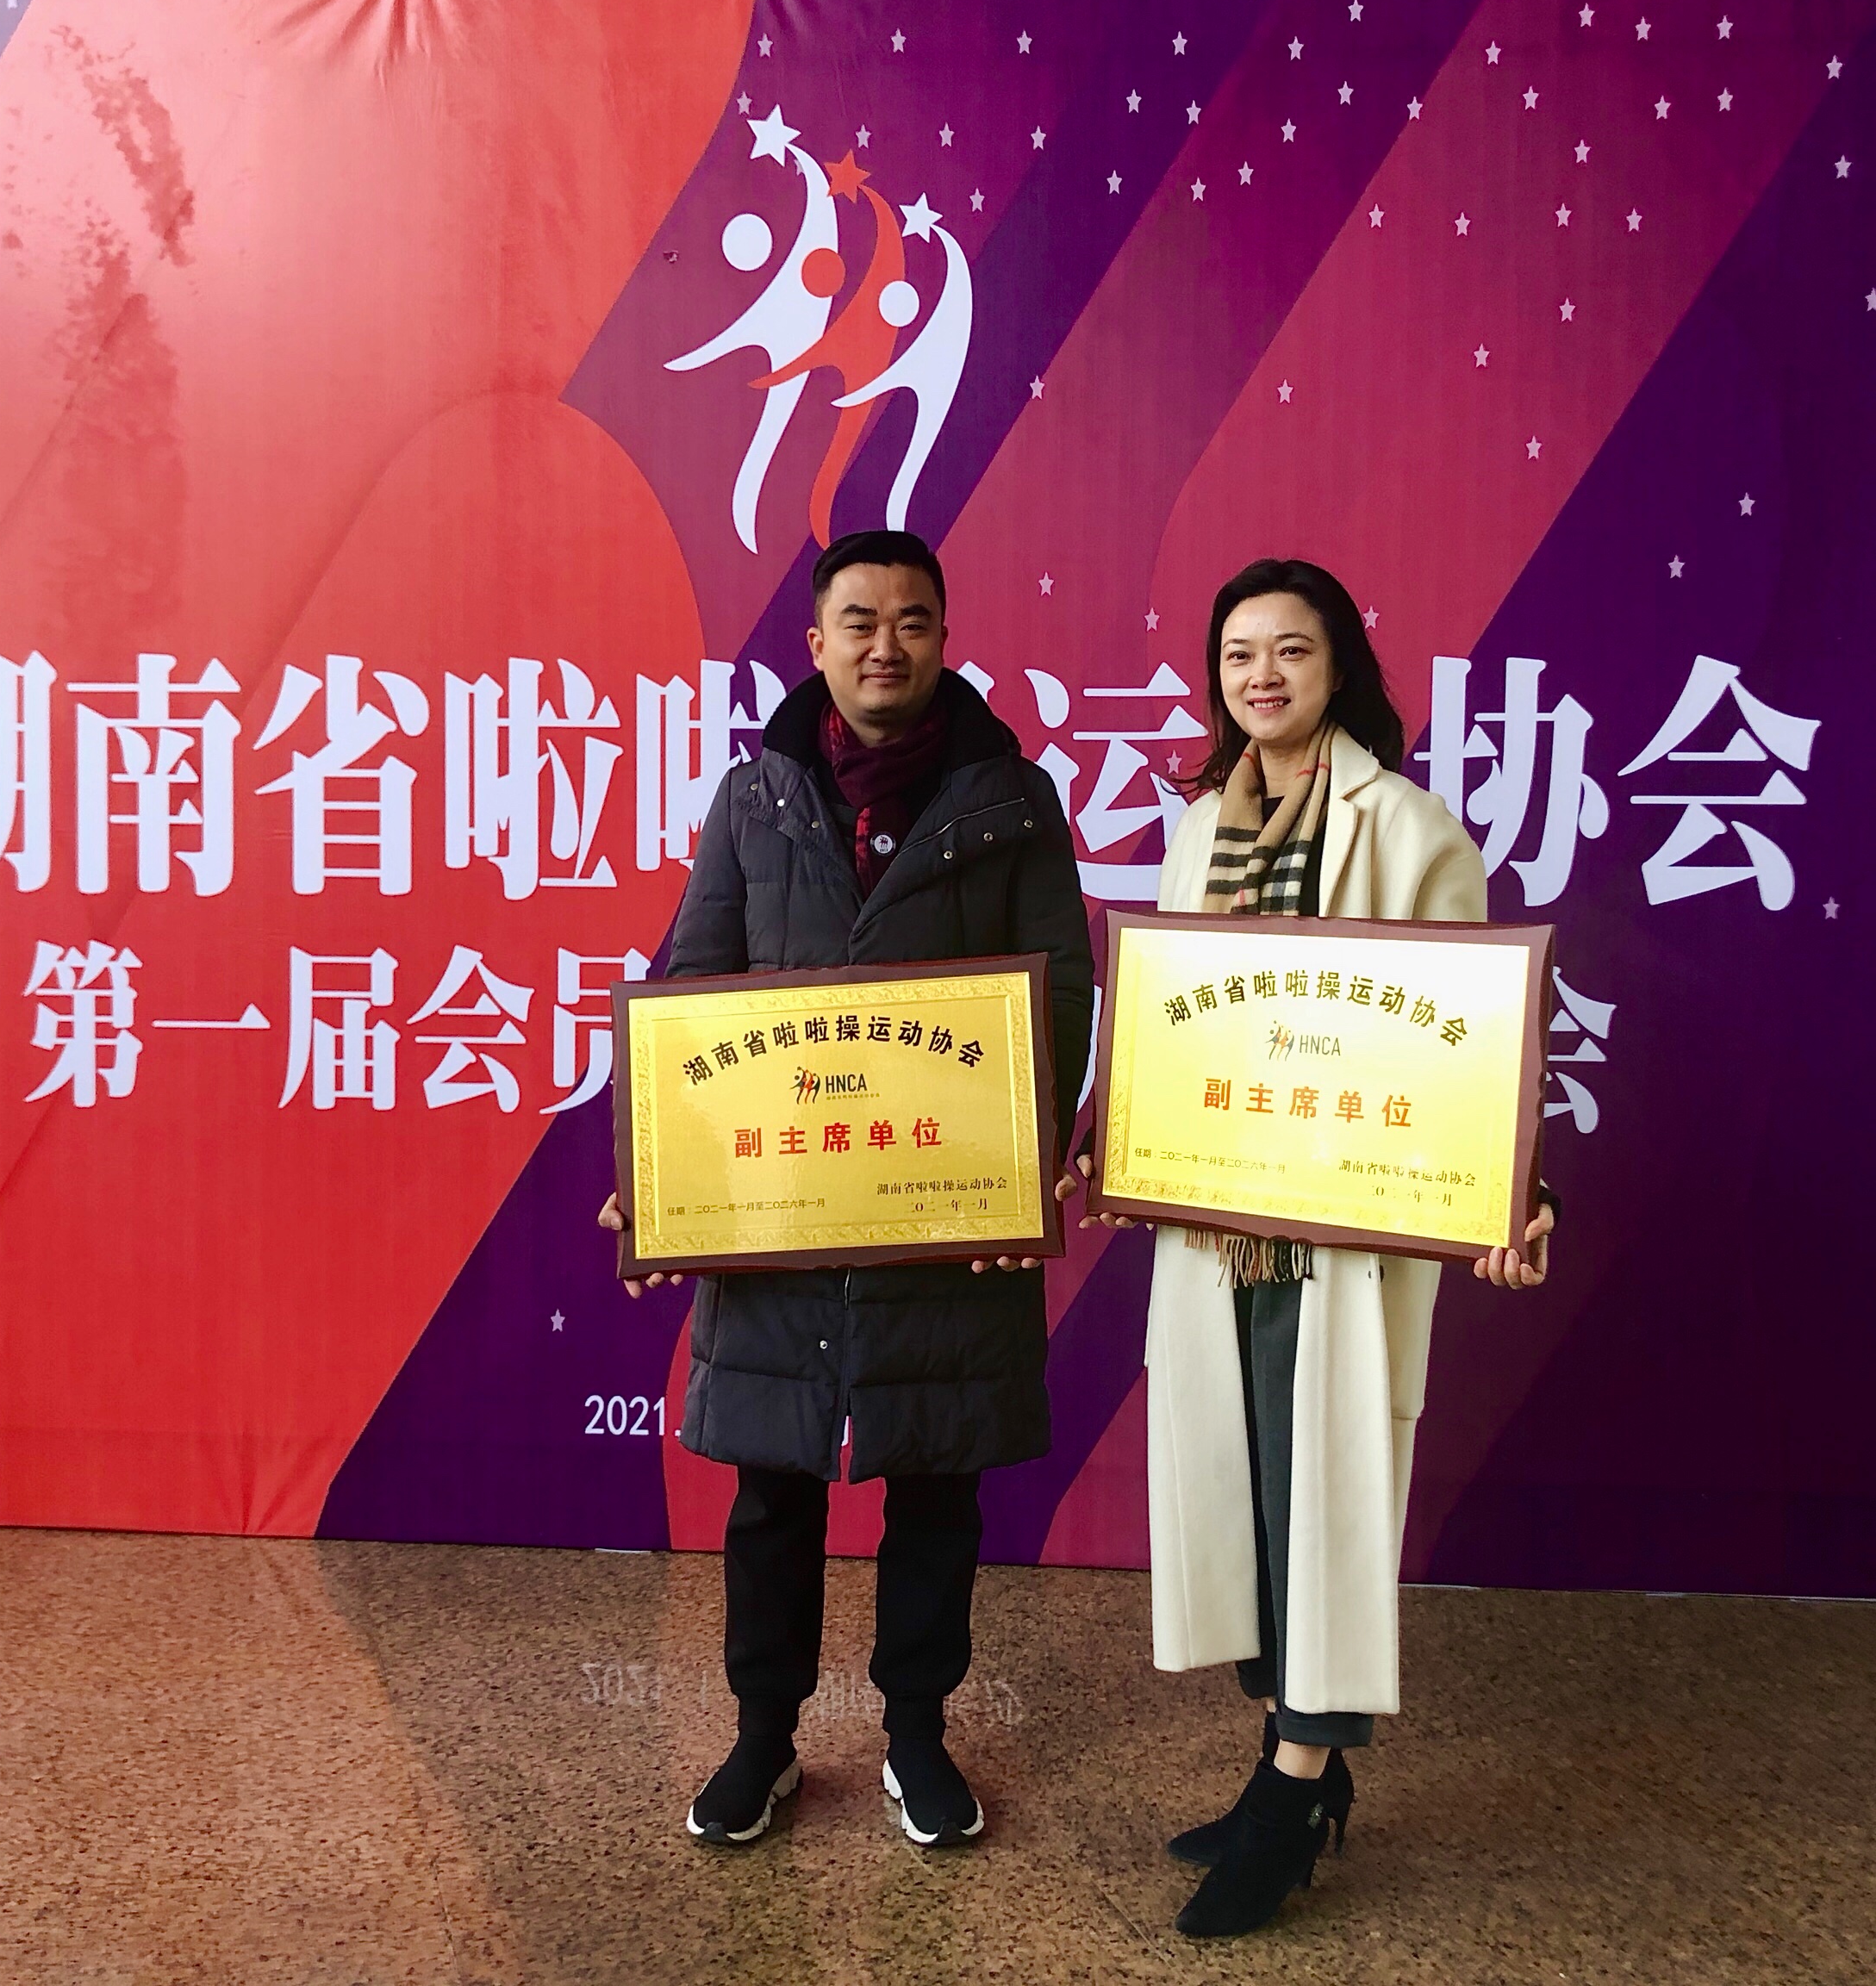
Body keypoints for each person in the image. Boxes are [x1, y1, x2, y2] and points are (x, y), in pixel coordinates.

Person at [1070, 557, 1555, 1938]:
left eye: (1290, 649)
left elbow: (1472, 1040)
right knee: (1258, 1506)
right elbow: (1166, 1023)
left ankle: (1290, 1803)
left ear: (1340, 664)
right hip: (1219, 1235)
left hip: (1339, 1242)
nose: (1262, 675)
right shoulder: (1192, 831)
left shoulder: (1407, 828)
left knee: (1324, 1502)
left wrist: (1516, 1196)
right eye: (1239, 654)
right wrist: (1115, 1138)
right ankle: (1292, 1764)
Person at [599, 529, 1094, 1852]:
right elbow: (693, 991)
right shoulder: (753, 798)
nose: (887, 644)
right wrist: (657, 1180)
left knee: (937, 1484)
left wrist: (1022, 1168)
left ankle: (916, 1734)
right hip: (781, 1212)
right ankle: (764, 1737)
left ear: (945, 638)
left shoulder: (1014, 800)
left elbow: (1059, 991)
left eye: (913, 620)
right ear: (816, 643)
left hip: (947, 1209)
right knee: (773, 1491)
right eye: (860, 621)